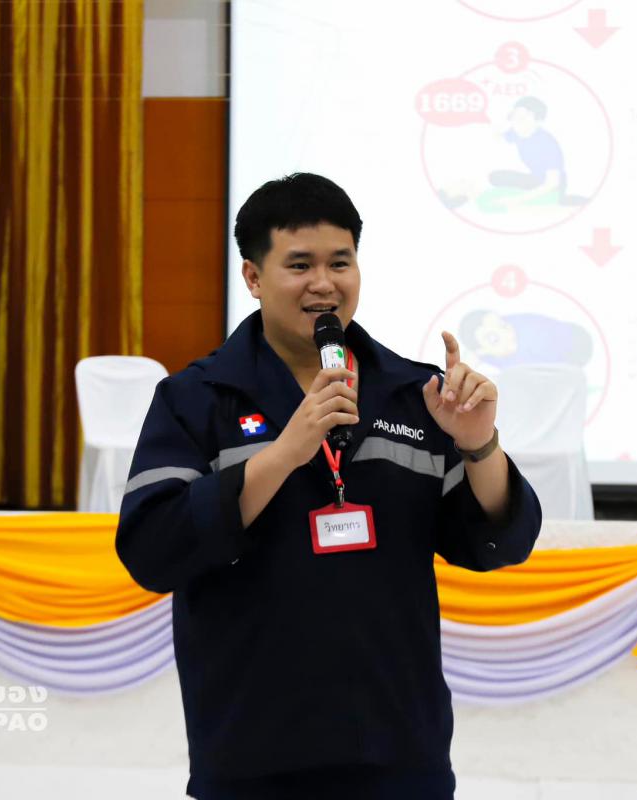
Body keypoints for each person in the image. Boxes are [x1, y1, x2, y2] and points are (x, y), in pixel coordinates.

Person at [116, 172, 542, 799]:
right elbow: (153, 550)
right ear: (253, 277)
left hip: (400, 751)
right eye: (300, 265)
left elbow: (496, 545)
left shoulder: (416, 392)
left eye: (340, 262)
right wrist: (285, 454)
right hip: (251, 754)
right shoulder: (195, 399)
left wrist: (479, 444)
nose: (324, 283)